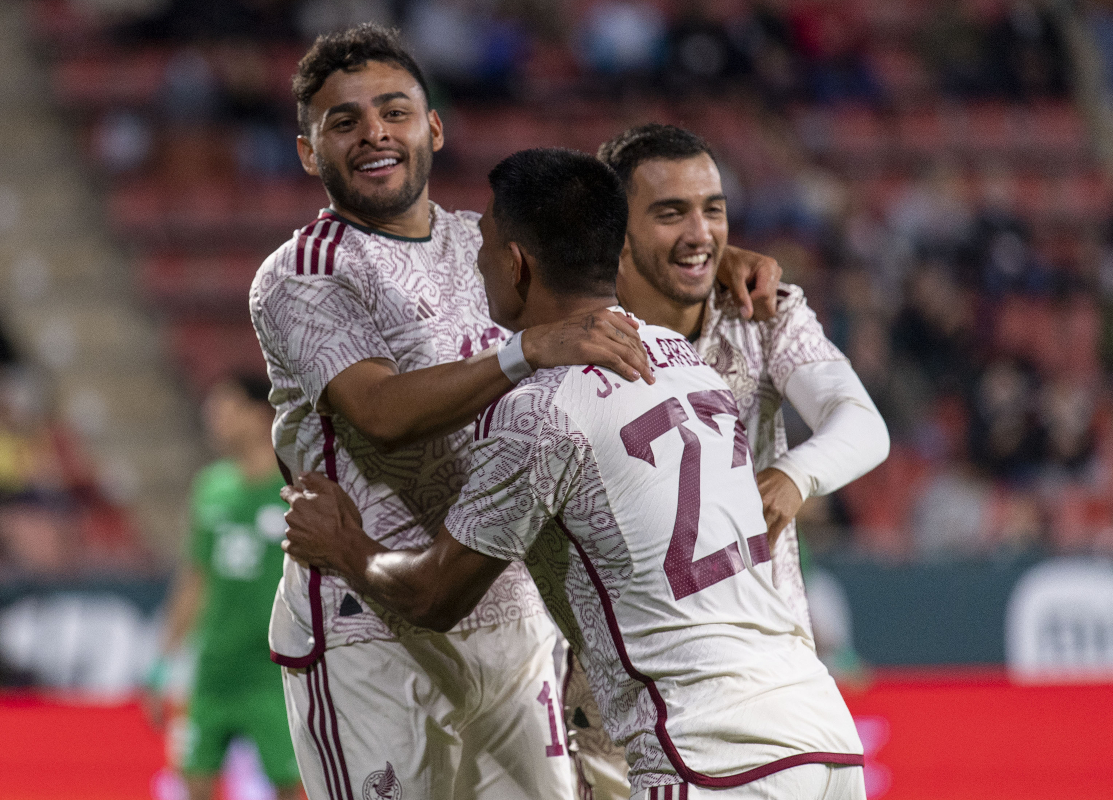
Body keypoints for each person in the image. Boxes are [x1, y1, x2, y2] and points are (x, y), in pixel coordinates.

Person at [249, 24, 779, 800]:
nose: (373, 133)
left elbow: (595, 260)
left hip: (508, 612)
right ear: (309, 152)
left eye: (393, 111)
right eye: (343, 121)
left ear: (433, 127)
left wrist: (706, 259)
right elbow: (383, 412)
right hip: (367, 629)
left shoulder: (487, 242)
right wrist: (527, 349)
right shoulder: (303, 272)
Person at [282, 147, 867, 800]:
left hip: (708, 758)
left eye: (484, 244)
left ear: (516, 263)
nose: (475, 262)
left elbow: (435, 596)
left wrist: (344, 546)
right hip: (824, 736)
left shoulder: (542, 408)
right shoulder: (689, 362)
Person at [563, 123, 890, 799]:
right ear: (614, 234)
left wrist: (795, 475)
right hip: (622, 712)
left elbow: (861, 424)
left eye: (713, 209)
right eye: (670, 212)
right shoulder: (573, 349)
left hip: (770, 694)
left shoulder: (761, 314)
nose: (700, 232)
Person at [148, 375, 301, 800]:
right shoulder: (210, 488)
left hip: (274, 667)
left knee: (289, 785)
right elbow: (194, 578)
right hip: (215, 667)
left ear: (258, 414)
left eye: (226, 407)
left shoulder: (294, 488)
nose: (213, 418)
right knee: (193, 780)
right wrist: (163, 662)